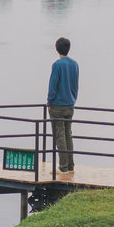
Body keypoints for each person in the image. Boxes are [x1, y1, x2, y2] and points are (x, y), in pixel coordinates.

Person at [46, 36, 79, 174]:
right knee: (68, 135)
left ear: (56, 48)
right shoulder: (75, 64)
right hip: (70, 105)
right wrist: (73, 100)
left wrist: (49, 102)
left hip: (58, 106)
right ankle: (71, 166)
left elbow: (53, 85)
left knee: (59, 136)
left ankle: (63, 167)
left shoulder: (57, 65)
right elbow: (76, 85)